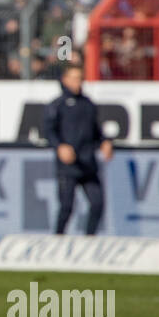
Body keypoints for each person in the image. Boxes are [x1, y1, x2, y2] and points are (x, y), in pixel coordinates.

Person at [41, 64, 113, 235]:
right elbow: (48, 131)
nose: (77, 82)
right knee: (67, 207)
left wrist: (105, 142)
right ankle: (57, 240)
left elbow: (96, 132)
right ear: (65, 80)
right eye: (73, 78)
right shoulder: (57, 105)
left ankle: (89, 241)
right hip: (68, 166)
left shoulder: (88, 104)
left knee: (97, 204)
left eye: (80, 78)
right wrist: (60, 147)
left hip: (88, 164)